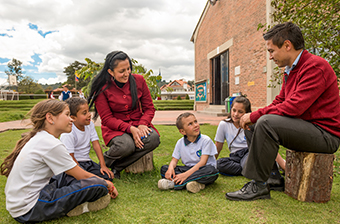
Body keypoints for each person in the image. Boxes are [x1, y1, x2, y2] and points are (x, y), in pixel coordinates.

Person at [225, 22, 340, 201]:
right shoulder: (291, 70)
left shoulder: (315, 66)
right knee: (256, 123)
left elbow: (294, 107)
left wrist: (256, 115)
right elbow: (280, 101)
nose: (270, 56)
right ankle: (273, 178)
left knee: (265, 122)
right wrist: (251, 117)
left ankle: (258, 184)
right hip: (307, 128)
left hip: (325, 135)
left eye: (271, 51)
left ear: (287, 45)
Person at [0, 100, 118, 223]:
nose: (71, 119)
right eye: (67, 115)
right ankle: (81, 207)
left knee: (67, 176)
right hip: (30, 208)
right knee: (98, 184)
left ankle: (74, 203)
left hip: (21, 204)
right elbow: (82, 175)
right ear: (50, 118)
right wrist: (109, 185)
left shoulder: (41, 137)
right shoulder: (51, 143)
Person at [87, 51, 160, 179]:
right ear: (111, 72)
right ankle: (103, 164)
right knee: (126, 145)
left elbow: (149, 108)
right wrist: (130, 129)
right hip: (115, 129)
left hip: (138, 124)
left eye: (128, 69)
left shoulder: (139, 80)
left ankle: (117, 167)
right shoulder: (102, 87)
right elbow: (107, 119)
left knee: (153, 138)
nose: (127, 74)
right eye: (122, 71)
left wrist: (143, 124)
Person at [215, 96, 285, 190]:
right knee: (219, 164)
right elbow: (218, 147)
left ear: (247, 113)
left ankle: (264, 166)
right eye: (234, 110)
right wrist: (211, 163)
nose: (236, 114)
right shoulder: (224, 124)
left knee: (246, 163)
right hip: (235, 156)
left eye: (240, 112)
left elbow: (265, 145)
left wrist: (283, 164)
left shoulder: (251, 125)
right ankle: (252, 169)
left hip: (248, 153)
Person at [56, 97, 114, 185]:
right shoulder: (68, 133)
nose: (89, 115)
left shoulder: (89, 124)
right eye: (84, 113)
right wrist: (83, 174)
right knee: (83, 181)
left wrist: (103, 165)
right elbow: (70, 158)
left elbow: (96, 144)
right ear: (73, 118)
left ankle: (91, 180)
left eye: (88, 111)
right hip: (74, 165)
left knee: (107, 177)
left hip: (87, 162)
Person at [158, 112, 219, 193]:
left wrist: (185, 175)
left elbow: (203, 162)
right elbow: (174, 160)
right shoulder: (180, 142)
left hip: (202, 169)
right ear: (183, 131)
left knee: (211, 170)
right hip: (188, 169)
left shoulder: (206, 140)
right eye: (190, 124)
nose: (195, 125)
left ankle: (173, 184)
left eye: (195, 121)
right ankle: (195, 184)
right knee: (164, 169)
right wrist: (170, 169)